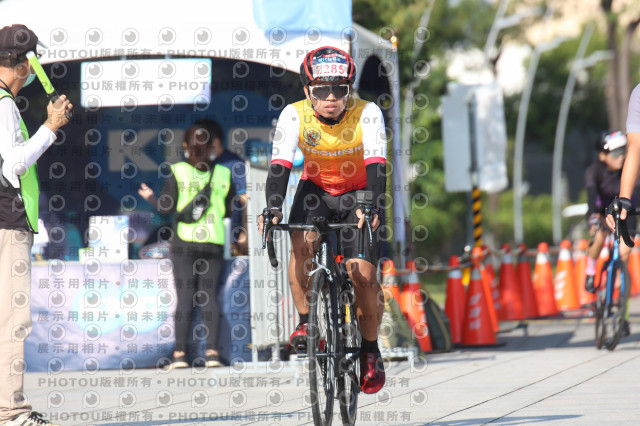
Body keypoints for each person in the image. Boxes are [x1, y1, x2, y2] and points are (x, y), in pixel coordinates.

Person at [257, 46, 388, 394]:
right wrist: (273, 208)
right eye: (322, 90)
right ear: (307, 90)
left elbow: (377, 166)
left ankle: (369, 350)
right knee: (301, 245)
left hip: (359, 193)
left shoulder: (367, 113)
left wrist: (372, 207)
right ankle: (305, 322)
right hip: (316, 189)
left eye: (339, 90)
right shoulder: (294, 115)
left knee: (363, 274)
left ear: (349, 89)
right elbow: (280, 167)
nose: (331, 98)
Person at [0, 24, 72, 426]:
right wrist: (50, 127)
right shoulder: (4, 104)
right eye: (32, 61)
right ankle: (10, 411)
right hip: (6, 222)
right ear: (23, 65)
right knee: (12, 321)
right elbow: (14, 166)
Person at [138, 122, 236, 369]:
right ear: (212, 146)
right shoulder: (224, 174)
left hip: (185, 242)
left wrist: (150, 197)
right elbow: (229, 209)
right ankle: (212, 354)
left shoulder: (178, 170)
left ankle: (180, 355)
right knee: (209, 298)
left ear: (185, 145)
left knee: (185, 297)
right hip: (213, 242)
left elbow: (166, 208)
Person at [584, 131, 639, 310]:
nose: (620, 157)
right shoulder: (594, 171)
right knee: (598, 235)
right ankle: (590, 272)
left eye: (622, 151)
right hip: (601, 213)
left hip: (625, 215)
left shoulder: (629, 169)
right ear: (602, 156)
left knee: (624, 255)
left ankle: (622, 307)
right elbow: (592, 202)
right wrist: (594, 216)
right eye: (615, 153)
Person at [194, 118, 248, 256]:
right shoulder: (198, 165)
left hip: (229, 241)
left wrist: (244, 233)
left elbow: (245, 199)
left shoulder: (234, 165)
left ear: (216, 142)